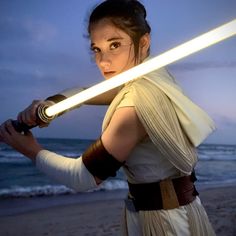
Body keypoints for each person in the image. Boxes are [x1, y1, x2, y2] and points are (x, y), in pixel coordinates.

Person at [0, 0, 216, 235]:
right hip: (182, 209)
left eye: (115, 45)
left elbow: (82, 177)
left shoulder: (135, 104)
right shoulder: (153, 76)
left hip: (161, 221)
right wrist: (51, 105)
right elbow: (84, 93)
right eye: (97, 49)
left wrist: (30, 149)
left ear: (143, 42)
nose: (103, 61)